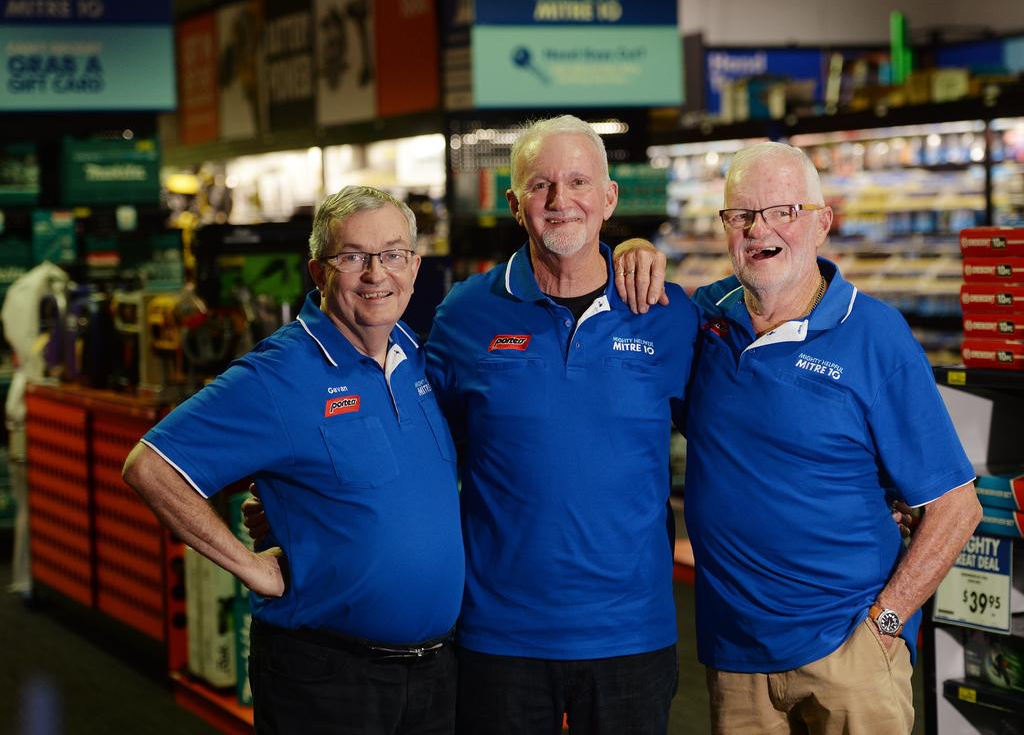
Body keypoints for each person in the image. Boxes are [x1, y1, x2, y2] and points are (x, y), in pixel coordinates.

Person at [622, 141, 982, 735]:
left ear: (821, 223)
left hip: (849, 657)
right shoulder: (707, 319)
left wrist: (883, 627)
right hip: (735, 658)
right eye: (742, 215)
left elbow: (954, 506)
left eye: (783, 211)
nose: (760, 229)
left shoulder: (874, 337)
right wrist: (633, 250)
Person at [122, 186, 464, 735]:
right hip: (329, 679)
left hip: (436, 676)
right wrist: (250, 566)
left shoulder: (417, 355)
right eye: (352, 257)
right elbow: (150, 467)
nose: (377, 274)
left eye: (393, 254)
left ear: (415, 265)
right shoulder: (278, 375)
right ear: (317, 271)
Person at [423, 114, 701, 734]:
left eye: (578, 183)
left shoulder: (666, 313)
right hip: (500, 635)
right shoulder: (465, 315)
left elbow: (739, 433)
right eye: (541, 185)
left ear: (609, 199)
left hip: (632, 633)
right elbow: (417, 448)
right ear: (515, 203)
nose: (560, 201)